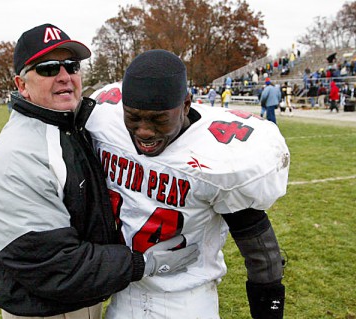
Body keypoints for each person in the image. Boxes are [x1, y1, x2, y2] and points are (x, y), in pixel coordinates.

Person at [0, 25, 198, 319]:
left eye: (72, 65)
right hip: (47, 307)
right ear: (21, 85)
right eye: (47, 68)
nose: (64, 76)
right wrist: (142, 264)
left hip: (80, 297)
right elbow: (53, 264)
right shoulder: (19, 155)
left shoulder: (69, 125)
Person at [87, 49, 289, 319]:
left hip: (187, 300)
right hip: (124, 294)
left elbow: (261, 250)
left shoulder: (218, 158)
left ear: (185, 105)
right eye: (133, 117)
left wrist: (270, 310)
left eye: (158, 119)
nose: (144, 131)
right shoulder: (106, 127)